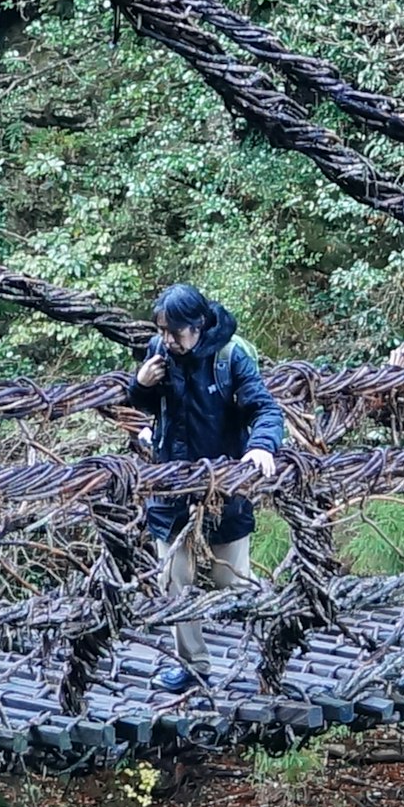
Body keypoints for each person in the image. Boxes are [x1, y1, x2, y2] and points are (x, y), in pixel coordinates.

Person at [121, 283, 285, 692]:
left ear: (197, 325)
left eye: (175, 332)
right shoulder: (158, 353)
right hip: (170, 487)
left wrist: (262, 446)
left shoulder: (230, 357)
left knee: (234, 582)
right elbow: (142, 405)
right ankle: (192, 666)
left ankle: (269, 654)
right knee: (175, 580)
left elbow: (263, 407)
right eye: (161, 330)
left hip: (223, 489)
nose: (167, 340)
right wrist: (141, 383)